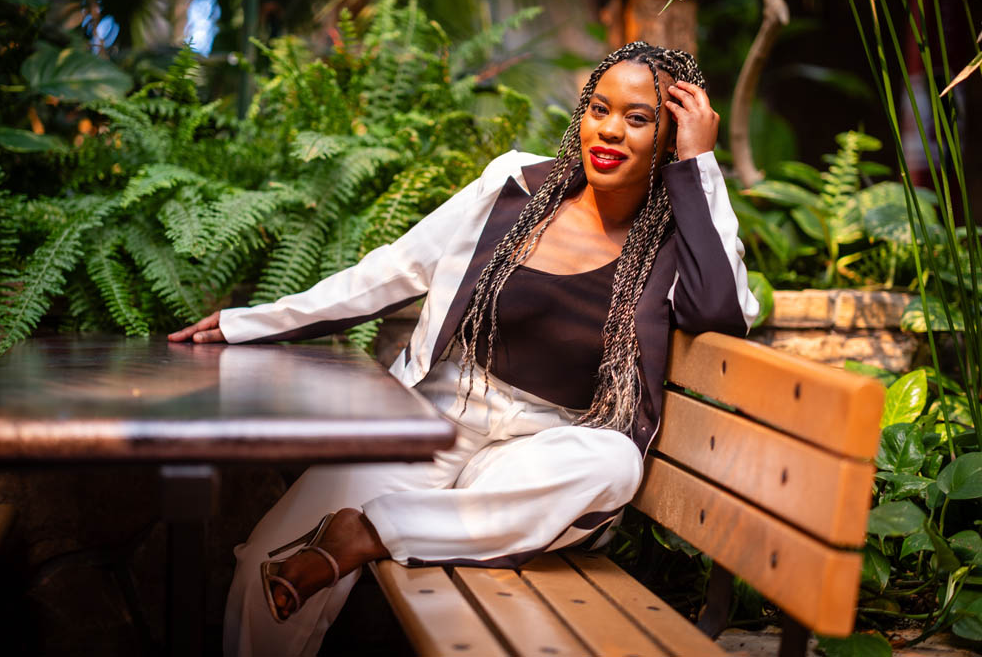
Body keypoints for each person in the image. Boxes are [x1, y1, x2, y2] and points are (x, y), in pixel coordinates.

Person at [169, 41, 758, 656]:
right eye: (599, 109)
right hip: (435, 421)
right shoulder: (516, 187)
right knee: (264, 563)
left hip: (539, 453)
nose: (610, 130)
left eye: (638, 118)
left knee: (614, 464)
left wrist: (699, 166)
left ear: (672, 136)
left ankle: (367, 531)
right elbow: (393, 270)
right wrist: (253, 323)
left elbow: (721, 310)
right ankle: (395, 529)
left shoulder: (678, 238)